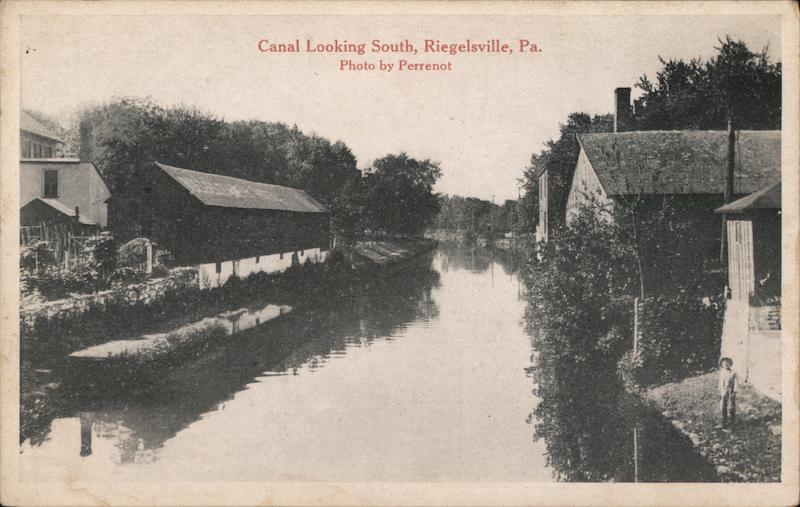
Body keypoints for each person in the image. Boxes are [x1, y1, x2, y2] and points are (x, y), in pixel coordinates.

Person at [718, 357, 737, 428]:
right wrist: (720, 391)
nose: (726, 364)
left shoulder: (733, 372)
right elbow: (720, 382)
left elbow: (736, 383)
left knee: (731, 407)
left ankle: (732, 424)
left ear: (730, 364)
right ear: (722, 365)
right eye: (724, 363)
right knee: (723, 406)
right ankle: (724, 422)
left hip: (730, 391)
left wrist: (734, 392)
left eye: (727, 363)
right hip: (723, 391)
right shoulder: (722, 372)